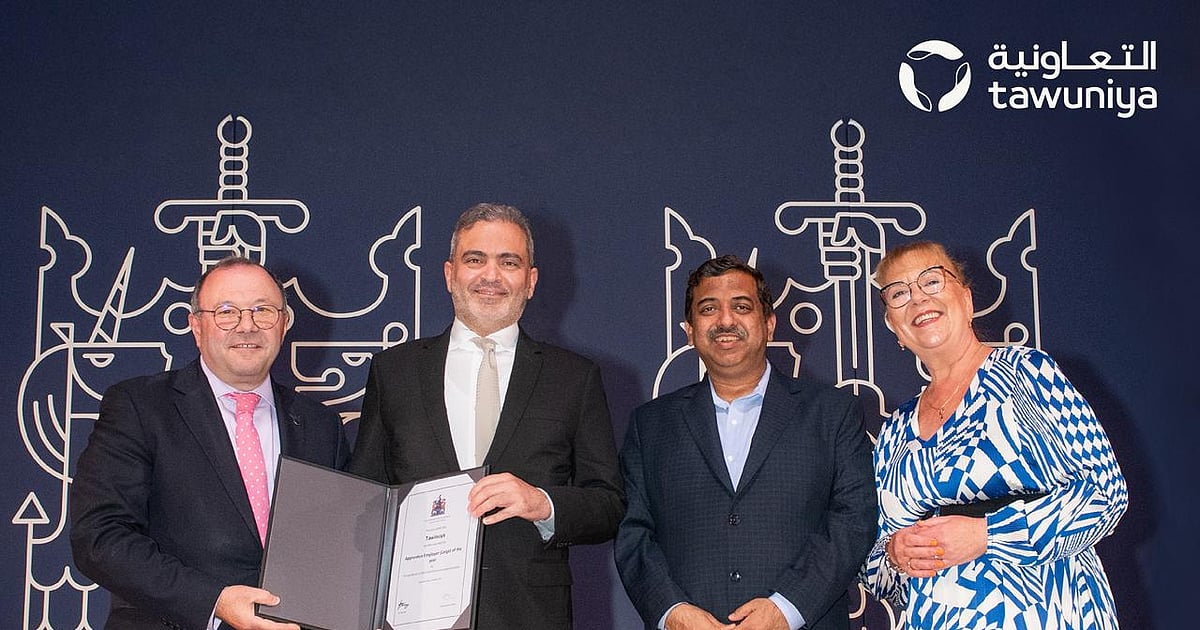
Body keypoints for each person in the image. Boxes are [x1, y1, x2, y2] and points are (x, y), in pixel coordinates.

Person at [348, 202, 625, 629]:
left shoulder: (574, 377)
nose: (491, 276)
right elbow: (363, 499)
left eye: (509, 262)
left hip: (529, 615)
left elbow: (608, 504)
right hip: (414, 614)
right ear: (449, 274)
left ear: (530, 281)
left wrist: (542, 503)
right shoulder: (394, 372)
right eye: (475, 260)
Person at [70, 256, 350, 630]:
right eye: (226, 312)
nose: (247, 326)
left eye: (263, 311)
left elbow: (341, 546)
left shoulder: (321, 425)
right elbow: (100, 537)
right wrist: (213, 601)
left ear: (283, 324)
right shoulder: (140, 406)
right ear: (196, 326)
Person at [859, 241, 1128, 629]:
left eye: (932, 282)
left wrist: (987, 535)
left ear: (966, 301)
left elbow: (1106, 494)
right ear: (893, 327)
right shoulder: (895, 432)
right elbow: (878, 572)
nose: (917, 298)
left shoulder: (1026, 373)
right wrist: (894, 553)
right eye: (899, 293)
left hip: (1047, 612)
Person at [615, 254, 877, 630]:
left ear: (768, 323)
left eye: (741, 306)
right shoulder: (651, 424)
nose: (725, 321)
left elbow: (853, 520)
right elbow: (632, 533)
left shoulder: (832, 412)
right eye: (709, 308)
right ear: (688, 330)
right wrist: (672, 612)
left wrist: (786, 609)